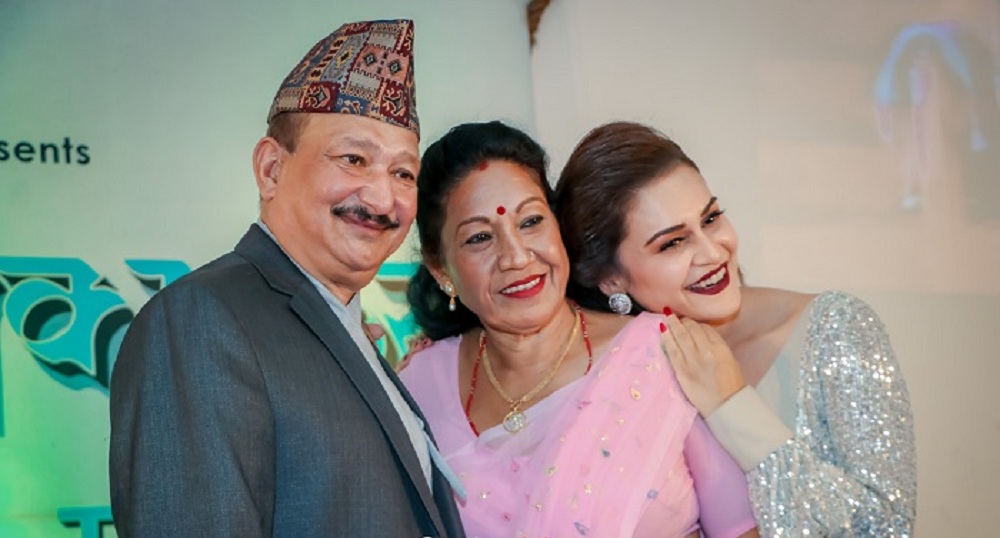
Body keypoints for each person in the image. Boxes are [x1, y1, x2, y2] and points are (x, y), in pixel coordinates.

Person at [109, 20, 465, 537]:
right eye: (353, 159)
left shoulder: (345, 329)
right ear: (271, 169)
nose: (382, 198)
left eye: (403, 173)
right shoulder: (202, 321)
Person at [554, 121, 917, 536]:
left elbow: (885, 526)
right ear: (611, 280)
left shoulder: (834, 329)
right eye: (673, 243)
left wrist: (732, 405)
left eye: (710, 218)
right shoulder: (621, 378)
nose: (712, 252)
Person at [399, 121, 759, 538]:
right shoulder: (418, 384)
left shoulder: (664, 353)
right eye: (480, 238)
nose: (516, 257)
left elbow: (742, 528)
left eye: (531, 221)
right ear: (441, 270)